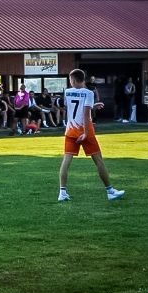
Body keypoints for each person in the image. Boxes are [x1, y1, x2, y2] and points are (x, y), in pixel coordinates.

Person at [58, 69, 125, 202]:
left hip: (70, 131)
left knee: (66, 161)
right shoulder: (89, 93)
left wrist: (92, 106)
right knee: (99, 161)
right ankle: (110, 191)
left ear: (74, 80)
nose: (70, 82)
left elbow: (74, 108)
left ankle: (62, 192)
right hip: (86, 131)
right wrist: (86, 133)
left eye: (70, 79)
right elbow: (85, 114)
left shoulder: (67, 92)